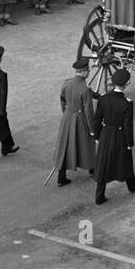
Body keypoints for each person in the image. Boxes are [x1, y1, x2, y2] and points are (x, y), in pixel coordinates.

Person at [92, 67, 135, 203]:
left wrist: (97, 136)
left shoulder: (103, 99)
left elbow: (97, 119)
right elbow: (128, 126)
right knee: (126, 161)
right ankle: (132, 185)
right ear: (126, 84)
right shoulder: (127, 103)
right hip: (120, 135)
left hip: (105, 134)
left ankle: (99, 196)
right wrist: (129, 143)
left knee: (103, 163)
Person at [54, 58, 98, 186]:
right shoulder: (85, 89)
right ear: (83, 72)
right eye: (88, 70)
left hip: (68, 116)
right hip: (80, 119)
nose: (89, 72)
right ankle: (92, 170)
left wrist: (66, 113)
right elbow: (89, 112)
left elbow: (62, 100)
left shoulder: (66, 83)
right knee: (88, 145)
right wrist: (92, 130)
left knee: (65, 146)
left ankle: (61, 177)